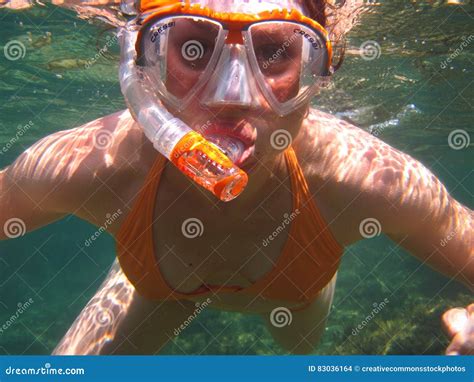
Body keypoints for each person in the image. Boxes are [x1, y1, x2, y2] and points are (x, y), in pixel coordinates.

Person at [0, 0, 472, 355]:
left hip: (296, 294)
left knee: (296, 352)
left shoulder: (365, 181)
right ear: (142, 66)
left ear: (319, 72)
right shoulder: (94, 166)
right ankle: (137, 268)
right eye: (195, 49)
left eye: (273, 53)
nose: (232, 96)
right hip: (160, 292)